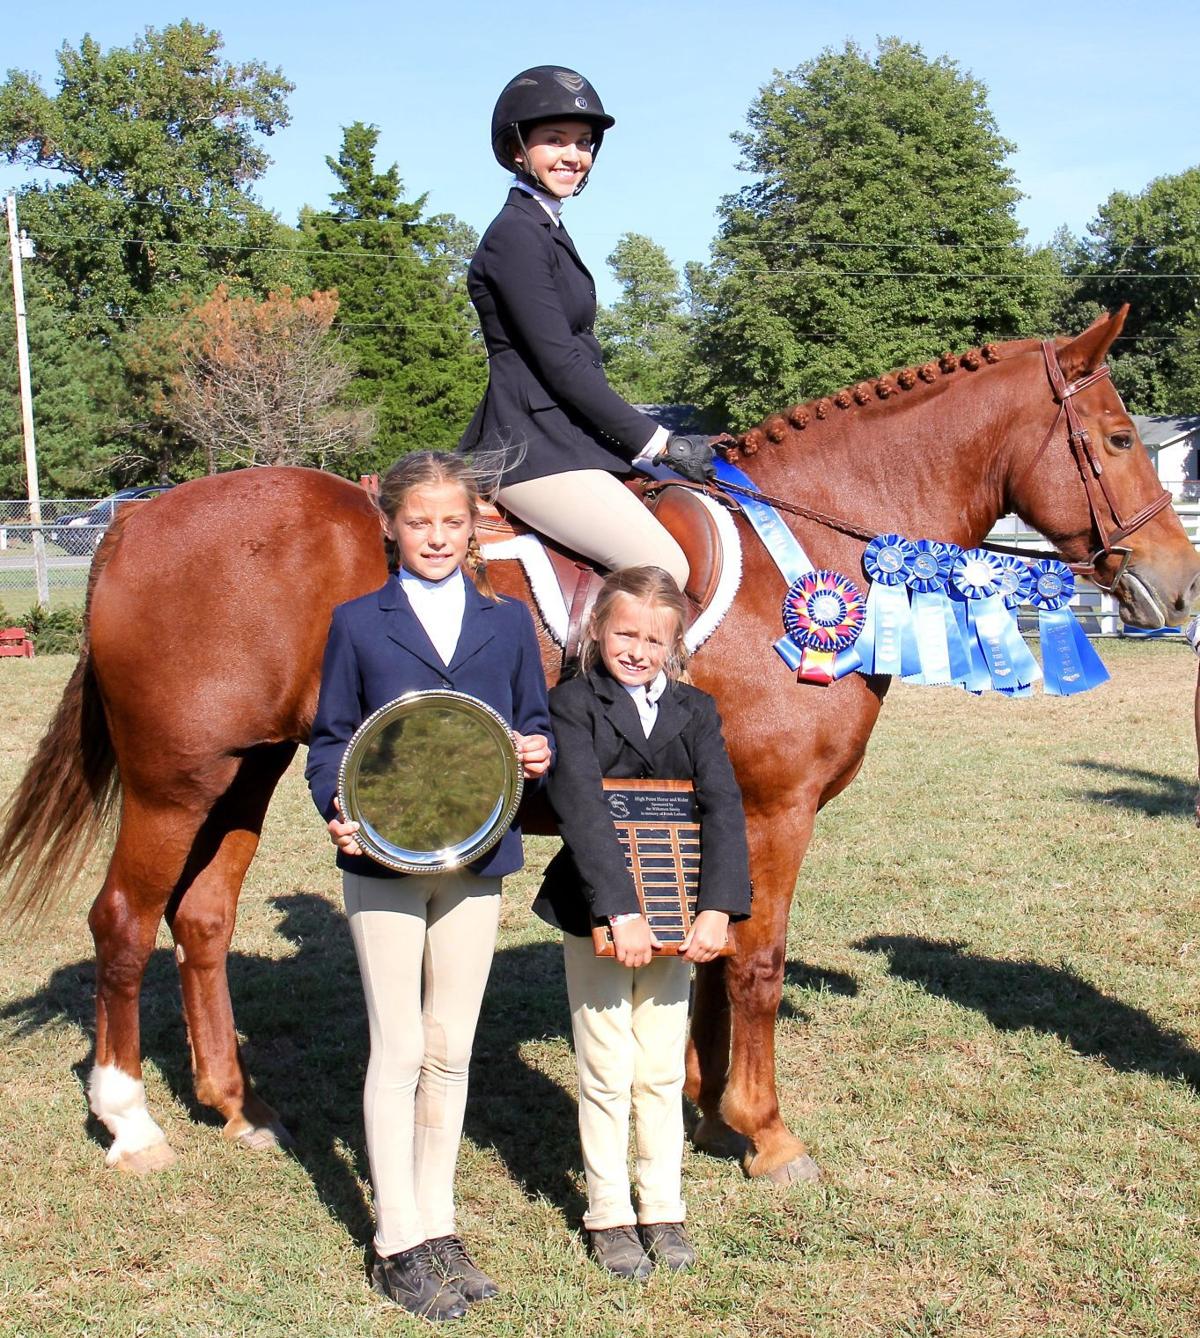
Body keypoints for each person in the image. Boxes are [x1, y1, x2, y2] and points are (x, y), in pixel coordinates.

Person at [305, 452, 553, 1322]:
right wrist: (336, 806)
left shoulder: (510, 621)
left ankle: (439, 1220)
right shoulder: (356, 623)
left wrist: (536, 748)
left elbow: (532, 719)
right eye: (420, 523)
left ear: (477, 524)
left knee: (452, 1047)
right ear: (390, 525)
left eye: (454, 522)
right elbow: (332, 738)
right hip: (382, 856)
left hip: (475, 856)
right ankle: (395, 1238)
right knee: (400, 1047)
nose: (438, 537)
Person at [534, 565, 753, 1278]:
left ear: (675, 643)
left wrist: (718, 906)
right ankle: (608, 1214)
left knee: (660, 1067)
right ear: (598, 632)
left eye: (654, 639)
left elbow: (722, 808)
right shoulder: (571, 704)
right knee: (605, 1068)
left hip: (681, 908)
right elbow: (582, 811)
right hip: (601, 909)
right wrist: (620, 910)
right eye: (625, 633)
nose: (638, 649)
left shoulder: (698, 711)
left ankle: (663, 1206)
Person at [459, 65, 716, 592]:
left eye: (583, 144)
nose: (573, 157)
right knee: (660, 565)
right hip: (530, 448)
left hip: (567, 440)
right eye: (555, 141)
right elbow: (562, 364)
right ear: (517, 149)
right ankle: (590, 680)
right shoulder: (516, 236)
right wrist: (657, 442)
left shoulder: (547, 229)